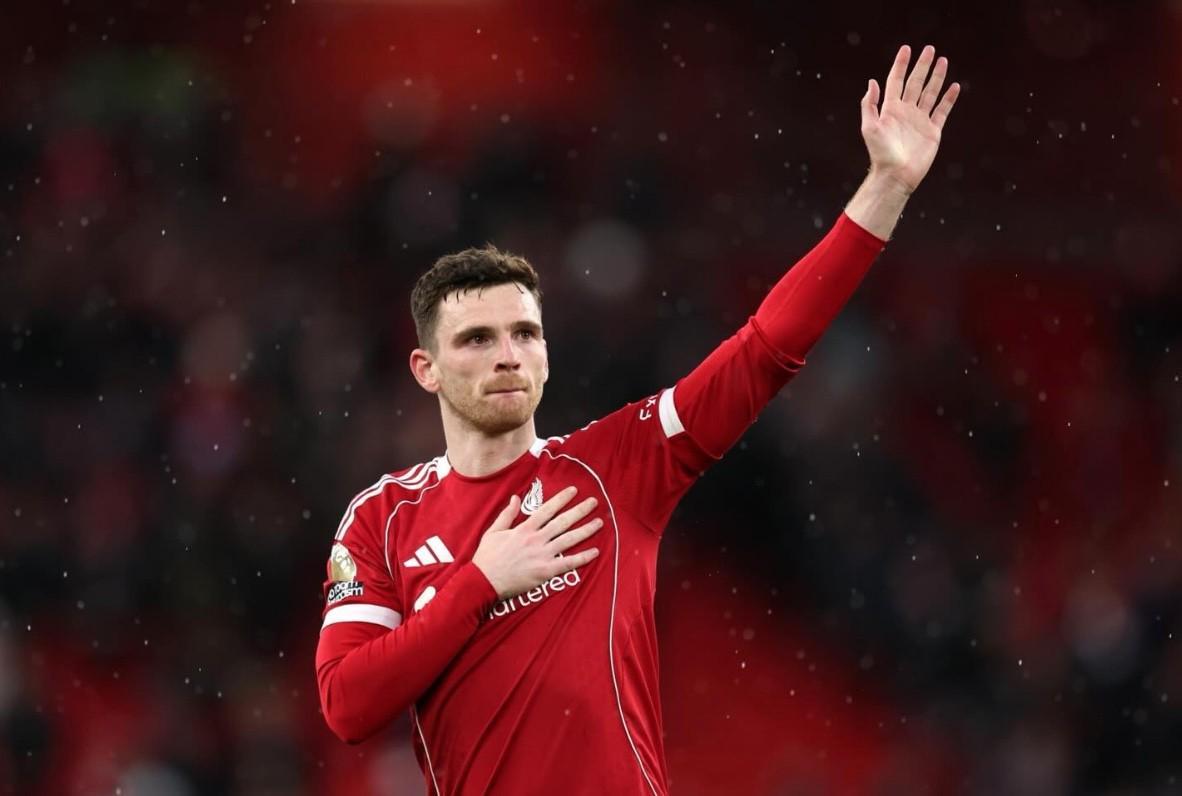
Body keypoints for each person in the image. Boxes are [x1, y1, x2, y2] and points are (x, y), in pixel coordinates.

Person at [315, 44, 960, 795]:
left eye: (525, 334)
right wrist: (481, 582)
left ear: (547, 354)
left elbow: (765, 350)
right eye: (477, 339)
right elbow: (348, 706)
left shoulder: (616, 464)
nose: (508, 356)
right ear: (426, 369)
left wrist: (885, 187)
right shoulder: (383, 518)